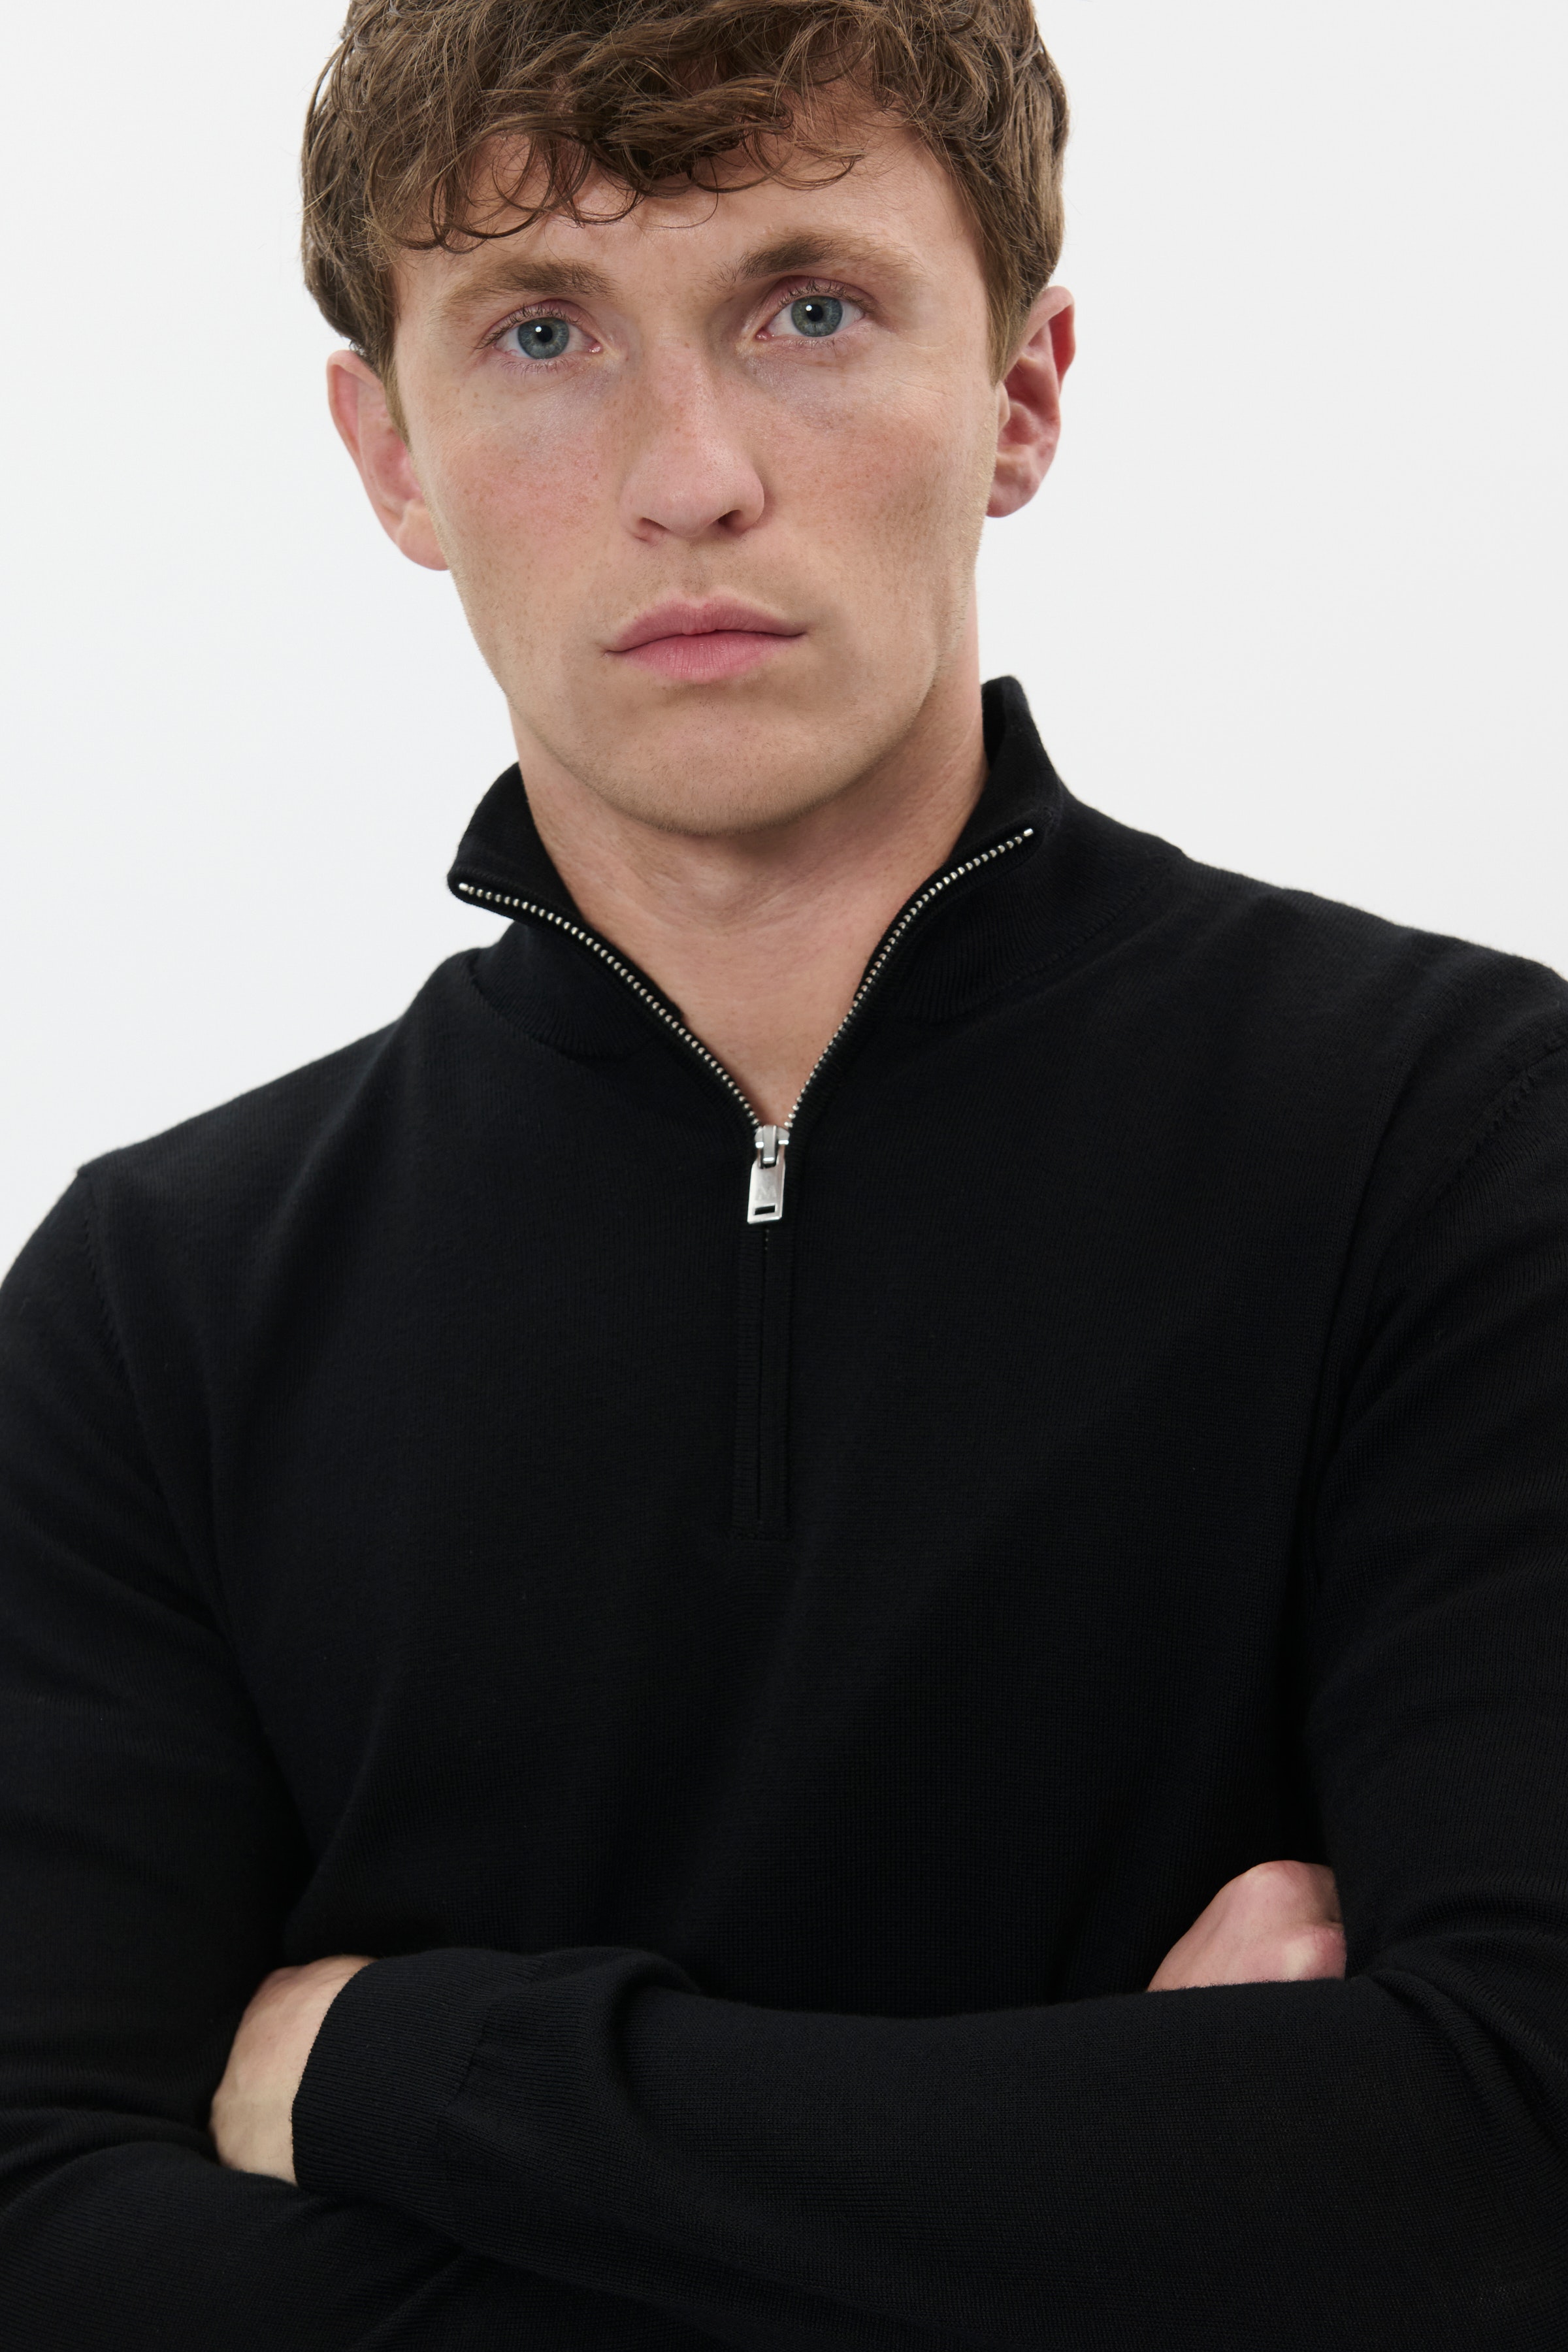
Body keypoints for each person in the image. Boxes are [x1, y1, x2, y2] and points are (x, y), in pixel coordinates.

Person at [1, 1, 1565, 2344]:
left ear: (1021, 393)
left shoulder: (1455, 1140)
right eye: (543, 334)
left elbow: (1506, 2162)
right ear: (391, 453)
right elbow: (39, 2243)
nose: (693, 474)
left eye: (809, 310)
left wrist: (407, 2068)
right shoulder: (156, 1304)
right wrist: (1145, 2222)